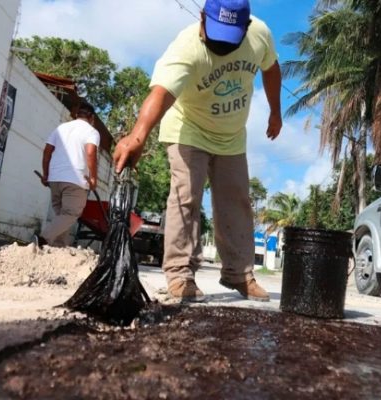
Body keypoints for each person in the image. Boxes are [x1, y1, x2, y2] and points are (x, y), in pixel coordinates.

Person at [113, 0, 282, 302]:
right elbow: (161, 93)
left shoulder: (260, 35)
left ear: (246, 28)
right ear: (203, 18)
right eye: (216, 36)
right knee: (185, 197)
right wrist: (137, 136)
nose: (221, 46)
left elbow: (271, 69)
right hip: (188, 129)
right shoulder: (186, 48)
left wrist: (275, 112)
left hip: (231, 135)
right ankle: (179, 274)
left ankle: (239, 274)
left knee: (236, 202)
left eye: (230, 39)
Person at [34, 102, 100, 248]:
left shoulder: (61, 128)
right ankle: (42, 239)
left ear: (77, 115)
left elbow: (47, 151)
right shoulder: (91, 131)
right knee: (70, 214)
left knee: (61, 218)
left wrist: (46, 175)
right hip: (75, 180)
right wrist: (94, 178)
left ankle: (58, 249)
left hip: (55, 180)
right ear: (91, 118)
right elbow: (90, 153)